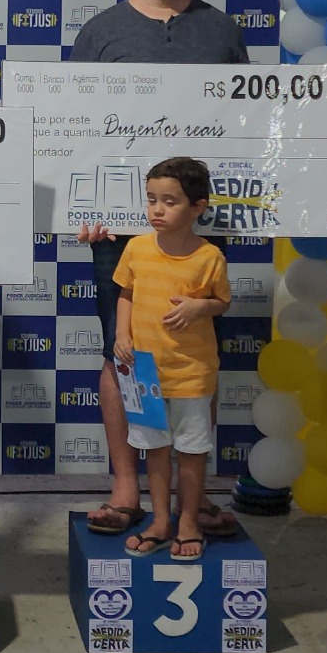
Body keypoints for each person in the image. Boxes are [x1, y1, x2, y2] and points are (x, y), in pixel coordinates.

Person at [69, 0, 247, 542]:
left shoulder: (223, 33)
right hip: (120, 235)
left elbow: (247, 133)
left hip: (200, 233)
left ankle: (192, 502)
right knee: (125, 355)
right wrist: (79, 204)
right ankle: (126, 488)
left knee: (193, 353)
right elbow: (75, 133)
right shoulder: (98, 32)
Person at [110, 158, 235, 559]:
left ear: (198, 207)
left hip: (192, 374)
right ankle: (160, 520)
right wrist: (121, 334)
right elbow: (125, 293)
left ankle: (188, 522)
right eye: (152, 200)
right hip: (144, 372)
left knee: (193, 450)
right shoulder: (136, 247)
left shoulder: (210, 256)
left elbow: (221, 302)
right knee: (155, 449)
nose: (157, 210)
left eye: (170, 201)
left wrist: (200, 307)